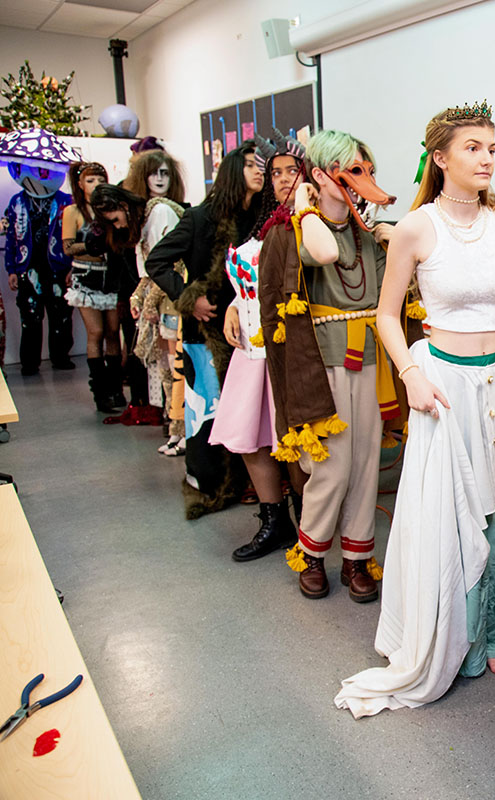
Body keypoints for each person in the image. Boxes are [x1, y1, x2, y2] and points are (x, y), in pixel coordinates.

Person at [334, 101, 495, 718]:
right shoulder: (416, 228)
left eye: (492, 147)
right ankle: (465, 635)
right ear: (441, 157)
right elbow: (386, 315)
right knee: (457, 513)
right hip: (445, 384)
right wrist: (412, 374)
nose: (486, 158)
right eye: (473, 147)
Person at [257, 128, 401, 601]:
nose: (365, 180)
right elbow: (322, 252)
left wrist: (386, 236)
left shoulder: (367, 237)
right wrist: (305, 203)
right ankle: (312, 552)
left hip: (368, 359)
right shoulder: (295, 228)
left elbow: (390, 290)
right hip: (321, 365)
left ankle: (357, 558)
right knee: (333, 466)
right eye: (353, 172)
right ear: (320, 174)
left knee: (364, 463)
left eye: (369, 171)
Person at [146, 141, 262, 518]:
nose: (259, 171)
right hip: (205, 332)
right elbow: (157, 261)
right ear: (232, 172)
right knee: (208, 410)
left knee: (247, 408)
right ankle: (212, 482)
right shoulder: (200, 218)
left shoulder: (263, 216)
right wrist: (188, 297)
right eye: (251, 166)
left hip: (251, 332)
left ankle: (251, 483)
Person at [213, 133, 307, 562]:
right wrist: (234, 303)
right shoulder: (259, 219)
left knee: (295, 444)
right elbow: (253, 275)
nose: (284, 179)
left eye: (293, 170)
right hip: (250, 351)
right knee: (254, 439)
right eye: (276, 172)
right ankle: (275, 522)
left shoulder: (317, 219)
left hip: (291, 351)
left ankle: (311, 528)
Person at [125, 150, 187, 449]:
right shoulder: (150, 212)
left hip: (170, 299)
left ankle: (181, 430)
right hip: (159, 299)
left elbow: (170, 264)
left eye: (165, 173)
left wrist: (148, 300)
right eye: (154, 173)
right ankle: (176, 429)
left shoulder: (163, 211)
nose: (161, 179)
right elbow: (148, 268)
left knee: (176, 368)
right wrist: (141, 296)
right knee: (166, 367)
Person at [3, 155, 74, 377]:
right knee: (30, 317)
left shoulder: (66, 201)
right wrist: (12, 269)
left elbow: (75, 235)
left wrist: (73, 267)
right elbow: (11, 238)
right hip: (28, 267)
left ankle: (61, 357)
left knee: (61, 315)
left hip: (58, 266)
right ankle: (29, 362)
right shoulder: (17, 201)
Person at [62, 161, 123, 411]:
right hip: (86, 276)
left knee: (113, 332)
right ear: (80, 184)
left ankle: (117, 389)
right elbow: (67, 248)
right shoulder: (73, 211)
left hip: (111, 276)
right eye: (90, 181)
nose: (96, 185)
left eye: (100, 180)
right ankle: (100, 393)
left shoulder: (110, 209)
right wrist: (91, 247)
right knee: (96, 333)